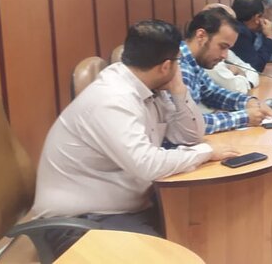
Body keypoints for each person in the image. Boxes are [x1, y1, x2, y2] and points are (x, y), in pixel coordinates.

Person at [32, 20, 239, 256]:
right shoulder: (112, 99)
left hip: (123, 209)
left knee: (203, 224)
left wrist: (180, 91)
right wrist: (205, 153)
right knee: (168, 256)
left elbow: (190, 136)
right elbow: (148, 164)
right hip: (81, 222)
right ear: (166, 66)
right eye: (178, 62)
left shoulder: (150, 88)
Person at [179, 8, 272, 134]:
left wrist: (248, 102)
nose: (224, 56)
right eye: (222, 47)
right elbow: (189, 125)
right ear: (201, 36)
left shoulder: (192, 62)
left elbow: (212, 93)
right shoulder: (179, 67)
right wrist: (244, 117)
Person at [200, 3, 260, 95]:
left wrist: (240, 75)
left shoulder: (221, 48)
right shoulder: (207, 58)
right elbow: (236, 88)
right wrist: (241, 75)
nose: (224, 55)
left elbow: (252, 71)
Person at [230, 0, 272, 72]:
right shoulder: (241, 33)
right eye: (261, 16)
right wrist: (269, 37)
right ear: (257, 17)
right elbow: (255, 67)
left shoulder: (235, 26)